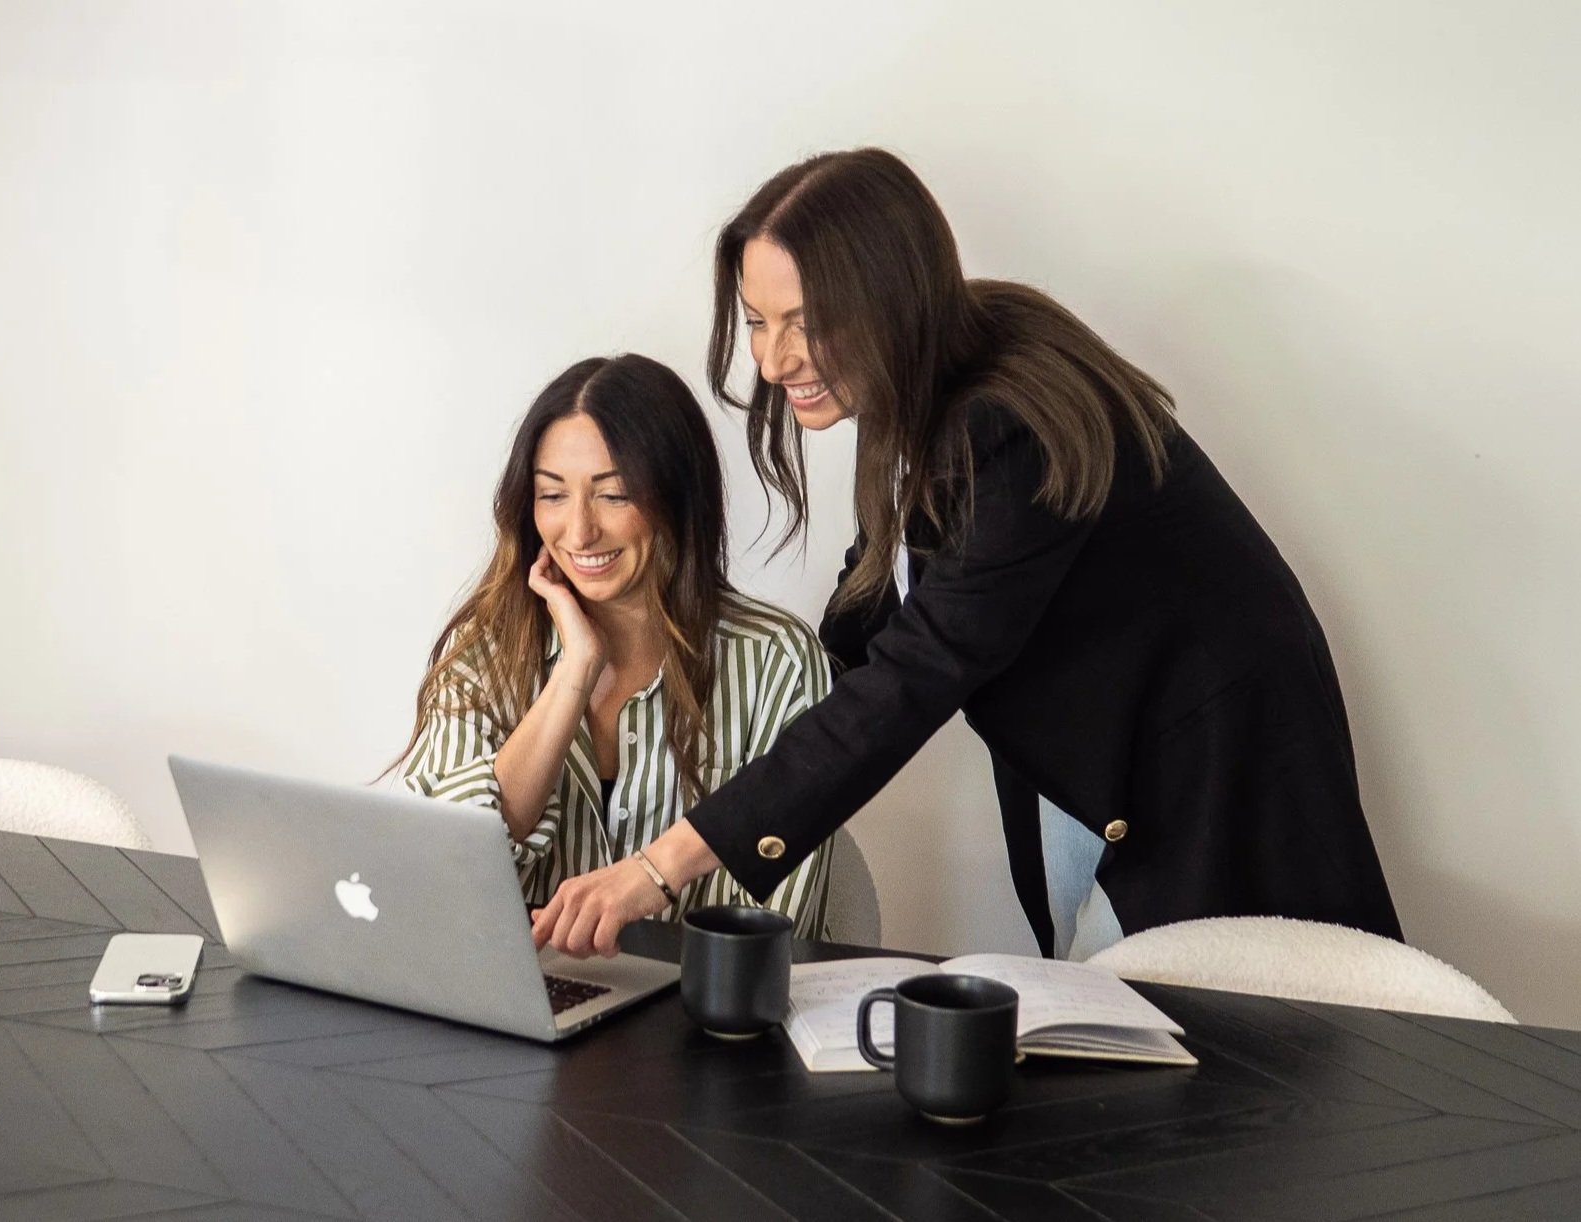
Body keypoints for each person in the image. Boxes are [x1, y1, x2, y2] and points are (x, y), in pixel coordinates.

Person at [532, 148, 1403, 959]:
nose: (772, 358)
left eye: (805, 322)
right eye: (757, 321)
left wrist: (659, 867)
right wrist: (741, 706)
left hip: (1217, 772)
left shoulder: (1007, 427)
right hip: (1096, 769)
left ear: (889, 300)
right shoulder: (928, 376)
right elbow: (871, 611)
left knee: (1239, 1068)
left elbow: (917, 673)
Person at [396, 353, 834, 937]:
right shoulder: (484, 657)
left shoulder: (778, 662)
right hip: (513, 1010)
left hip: (698, 1014)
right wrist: (575, 669)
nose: (579, 532)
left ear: (676, 498)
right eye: (553, 496)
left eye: (615, 494)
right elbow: (433, 881)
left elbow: (766, 927)